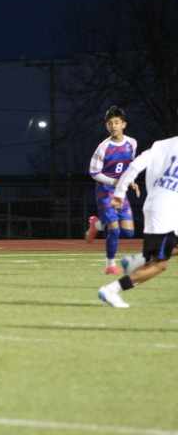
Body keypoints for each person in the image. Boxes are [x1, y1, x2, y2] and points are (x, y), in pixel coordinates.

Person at [98, 135, 178, 308]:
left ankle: (137, 260)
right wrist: (119, 191)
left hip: (161, 205)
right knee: (159, 264)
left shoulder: (162, 145)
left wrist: (120, 192)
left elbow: (135, 165)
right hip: (165, 211)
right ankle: (111, 290)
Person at [85, 105, 139, 274]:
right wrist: (114, 182)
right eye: (110, 123)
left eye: (116, 122)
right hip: (105, 191)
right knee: (114, 230)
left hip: (120, 191)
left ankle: (97, 224)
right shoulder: (103, 147)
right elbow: (94, 172)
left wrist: (131, 180)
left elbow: (130, 165)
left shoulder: (132, 143)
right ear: (106, 126)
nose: (113, 126)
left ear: (124, 124)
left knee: (129, 233)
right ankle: (110, 265)